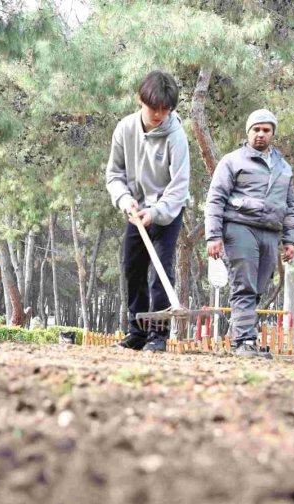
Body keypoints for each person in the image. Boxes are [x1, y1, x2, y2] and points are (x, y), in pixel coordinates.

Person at [105, 70, 190, 352]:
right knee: (133, 269)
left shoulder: (176, 136)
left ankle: (158, 335)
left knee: (161, 271)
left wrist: (157, 212)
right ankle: (137, 332)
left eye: (166, 109)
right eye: (155, 108)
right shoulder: (125, 129)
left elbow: (179, 187)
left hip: (167, 211)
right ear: (140, 100)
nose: (160, 115)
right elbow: (114, 175)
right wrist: (124, 199)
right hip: (135, 209)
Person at [204, 109, 294, 358]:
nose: (260, 134)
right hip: (239, 226)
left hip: (270, 231)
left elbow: (290, 206)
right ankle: (244, 340)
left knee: (258, 287)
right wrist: (213, 235)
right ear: (248, 132)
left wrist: (291, 240)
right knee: (244, 283)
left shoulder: (284, 168)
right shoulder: (233, 161)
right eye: (256, 129)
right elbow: (215, 198)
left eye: (266, 130)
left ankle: (243, 337)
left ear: (273, 133)